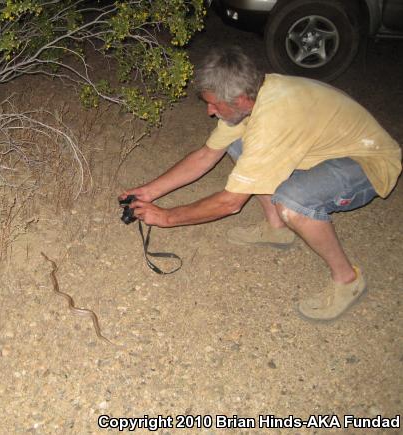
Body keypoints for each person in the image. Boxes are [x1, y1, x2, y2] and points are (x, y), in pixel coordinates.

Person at [119, 46, 401, 322]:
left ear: (240, 99)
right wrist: (148, 191)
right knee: (236, 142)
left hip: (366, 162)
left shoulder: (273, 118)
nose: (209, 111)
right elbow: (206, 155)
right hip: (320, 152)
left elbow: (231, 203)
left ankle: (348, 279)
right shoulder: (256, 97)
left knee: (293, 201)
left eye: (214, 104)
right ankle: (276, 230)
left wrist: (167, 217)